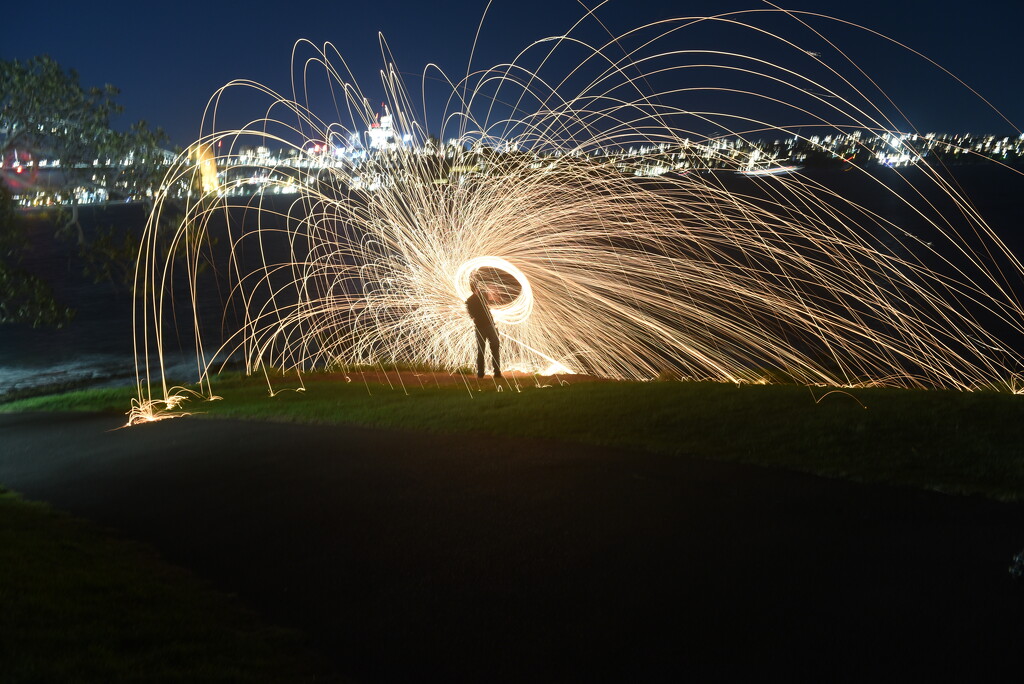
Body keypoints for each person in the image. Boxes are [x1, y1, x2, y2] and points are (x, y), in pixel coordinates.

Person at [465, 281, 502, 378]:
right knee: (494, 349)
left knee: (482, 351)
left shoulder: (469, 300)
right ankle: (497, 373)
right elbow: (493, 301)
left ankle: (481, 373)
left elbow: (471, 315)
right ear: (477, 288)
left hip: (480, 327)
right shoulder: (482, 296)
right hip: (488, 326)